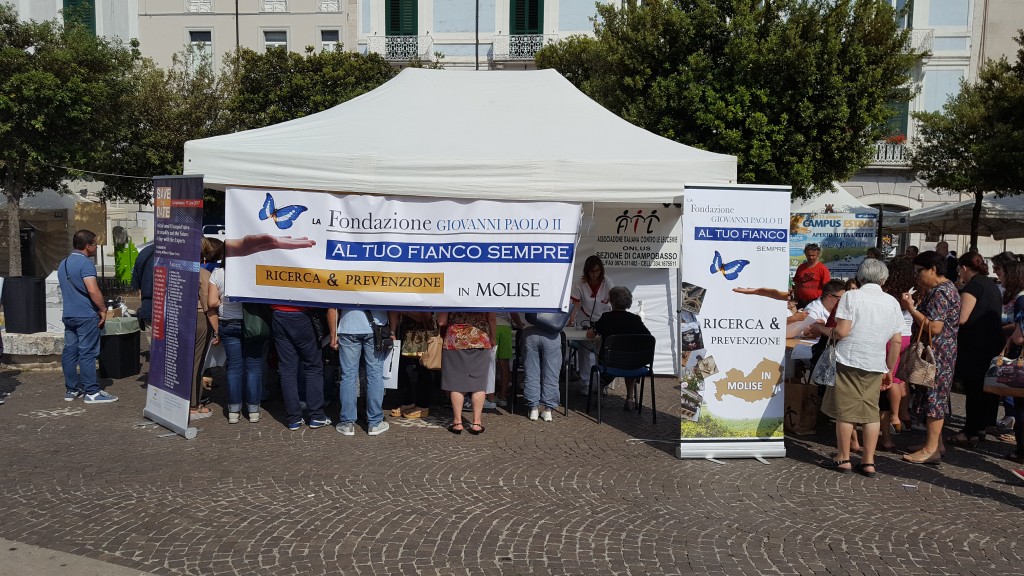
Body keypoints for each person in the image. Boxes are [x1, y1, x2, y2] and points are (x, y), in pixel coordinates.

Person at [818, 259, 904, 477]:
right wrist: (889, 370)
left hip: (849, 358)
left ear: (860, 277)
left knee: (845, 412)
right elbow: (895, 341)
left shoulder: (851, 296)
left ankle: (843, 458)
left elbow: (842, 332)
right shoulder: (892, 302)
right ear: (883, 279)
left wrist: (821, 328)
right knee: (871, 413)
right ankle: (868, 462)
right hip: (876, 362)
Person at [900, 251, 960, 465]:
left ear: (932, 269)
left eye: (919, 271)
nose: (917, 276)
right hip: (942, 351)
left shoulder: (940, 292)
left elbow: (934, 327)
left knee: (934, 399)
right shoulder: (945, 289)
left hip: (939, 353)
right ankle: (936, 444)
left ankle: (931, 449)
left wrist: (911, 309)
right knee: (931, 396)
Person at [946, 252, 1003, 447]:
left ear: (963, 268)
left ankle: (970, 431)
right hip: (990, 343)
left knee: (974, 389)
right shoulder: (991, 285)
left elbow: (961, 318)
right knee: (982, 390)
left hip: (975, 344)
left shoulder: (973, 287)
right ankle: (979, 427)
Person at [58, 230, 116, 404]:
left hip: (68, 314)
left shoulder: (64, 263)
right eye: (95, 244)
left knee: (70, 351)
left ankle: (71, 389)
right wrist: (103, 308)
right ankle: (91, 391)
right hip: (85, 314)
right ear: (87, 246)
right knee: (87, 352)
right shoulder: (86, 264)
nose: (96, 247)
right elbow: (92, 290)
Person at [208, 259, 264, 424]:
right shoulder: (253, 271)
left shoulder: (218, 273)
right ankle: (253, 411)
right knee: (253, 367)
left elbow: (211, 302)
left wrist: (223, 301)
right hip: (252, 323)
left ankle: (233, 411)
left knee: (234, 367)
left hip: (228, 322)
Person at [587, 286, 652, 411]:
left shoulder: (606, 318)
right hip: (632, 364)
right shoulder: (635, 320)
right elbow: (648, 338)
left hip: (609, 364)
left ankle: (601, 389)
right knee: (629, 362)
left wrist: (592, 328)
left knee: (605, 364)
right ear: (628, 302)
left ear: (611, 301)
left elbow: (590, 335)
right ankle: (629, 399)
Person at [332, 308, 391, 436]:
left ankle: (347, 423)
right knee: (375, 374)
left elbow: (333, 306)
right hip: (376, 327)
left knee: (348, 375)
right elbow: (392, 303)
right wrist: (392, 330)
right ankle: (375, 422)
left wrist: (333, 334)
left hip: (348, 326)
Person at [272, 303, 330, 431]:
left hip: (278, 313)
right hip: (302, 314)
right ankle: (316, 415)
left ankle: (294, 418)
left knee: (287, 370)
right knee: (313, 367)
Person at [438, 311, 497, 435]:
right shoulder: (484, 293)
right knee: (479, 383)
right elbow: (491, 318)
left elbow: (441, 321)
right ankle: (476, 423)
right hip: (480, 339)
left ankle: (457, 422)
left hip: (455, 340)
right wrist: (493, 337)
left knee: (456, 383)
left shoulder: (451, 293)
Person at [879, 256, 916, 448]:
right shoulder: (913, 290)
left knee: (890, 378)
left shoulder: (889, 292)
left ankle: (893, 416)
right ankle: (904, 413)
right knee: (902, 379)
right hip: (909, 336)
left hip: (892, 337)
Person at [568, 256, 614, 393]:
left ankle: (601, 383)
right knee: (585, 352)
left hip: (603, 320)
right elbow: (574, 304)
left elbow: (614, 299)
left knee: (602, 353)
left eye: (598, 271)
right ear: (586, 271)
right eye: (592, 271)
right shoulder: (579, 284)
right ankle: (586, 383)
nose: (595, 274)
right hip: (585, 321)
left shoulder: (607, 281)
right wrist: (571, 319)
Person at [388, 311, 437, 420]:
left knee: (424, 368)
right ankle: (408, 401)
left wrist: (404, 311)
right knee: (401, 367)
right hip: (407, 334)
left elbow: (425, 317)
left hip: (423, 335)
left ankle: (422, 405)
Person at [189, 238, 216, 419]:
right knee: (196, 363)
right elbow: (209, 305)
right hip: (199, 318)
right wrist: (217, 328)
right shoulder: (203, 274)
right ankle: (193, 404)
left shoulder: (175, 271)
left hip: (179, 318)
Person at [521, 313, 563, 421]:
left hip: (530, 330)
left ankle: (533, 408)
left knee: (531, 371)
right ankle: (548, 410)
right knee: (551, 373)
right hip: (552, 330)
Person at [793, 243, 831, 308]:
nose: (811, 257)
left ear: (818, 255)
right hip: (801, 302)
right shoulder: (801, 267)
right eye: (808, 255)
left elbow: (827, 288)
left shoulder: (823, 269)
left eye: (813, 255)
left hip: (816, 303)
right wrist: (795, 299)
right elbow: (797, 284)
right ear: (805, 254)